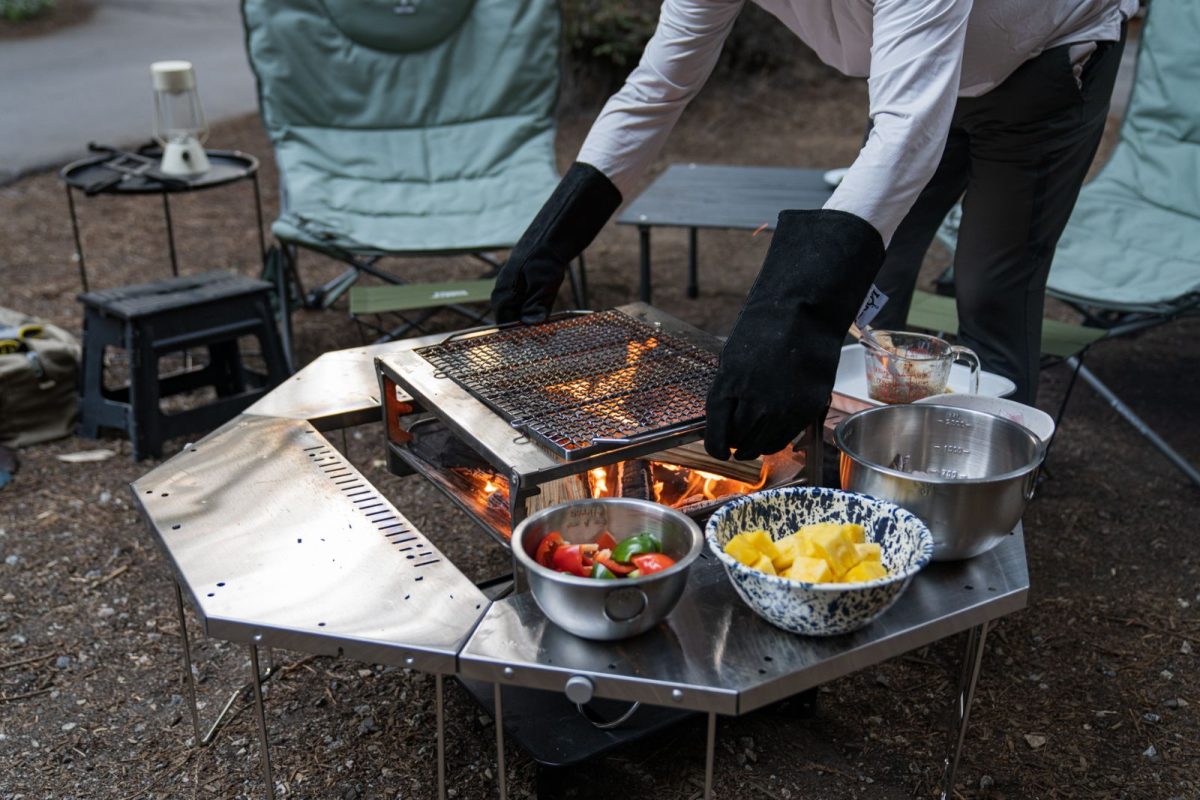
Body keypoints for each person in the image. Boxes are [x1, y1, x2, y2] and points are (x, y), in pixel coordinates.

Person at [491, 0, 1137, 462]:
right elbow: (657, 88)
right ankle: (868, 458)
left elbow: (907, 137)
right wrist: (556, 231)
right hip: (920, 75)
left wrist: (784, 311)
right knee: (867, 286)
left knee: (990, 282)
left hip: (1049, 58)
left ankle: (991, 489)